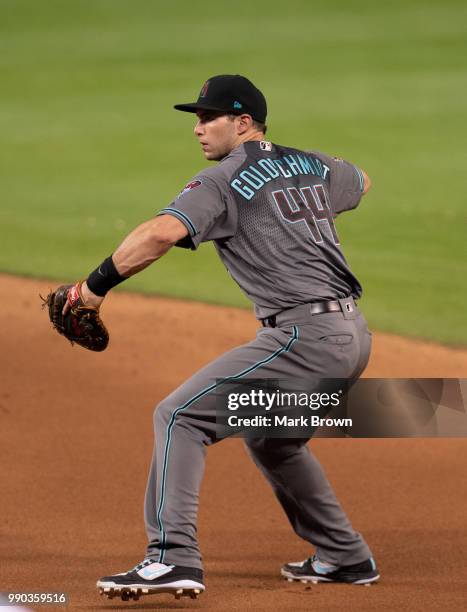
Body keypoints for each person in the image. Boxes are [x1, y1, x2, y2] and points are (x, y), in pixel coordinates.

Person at [72, 74, 379, 601]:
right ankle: (345, 556)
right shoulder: (314, 163)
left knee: (180, 415)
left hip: (304, 337)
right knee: (273, 438)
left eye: (207, 117)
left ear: (242, 123)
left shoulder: (224, 179)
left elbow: (159, 234)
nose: (197, 129)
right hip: (353, 334)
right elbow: (363, 181)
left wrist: (92, 289)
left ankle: (171, 558)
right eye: (195, 117)